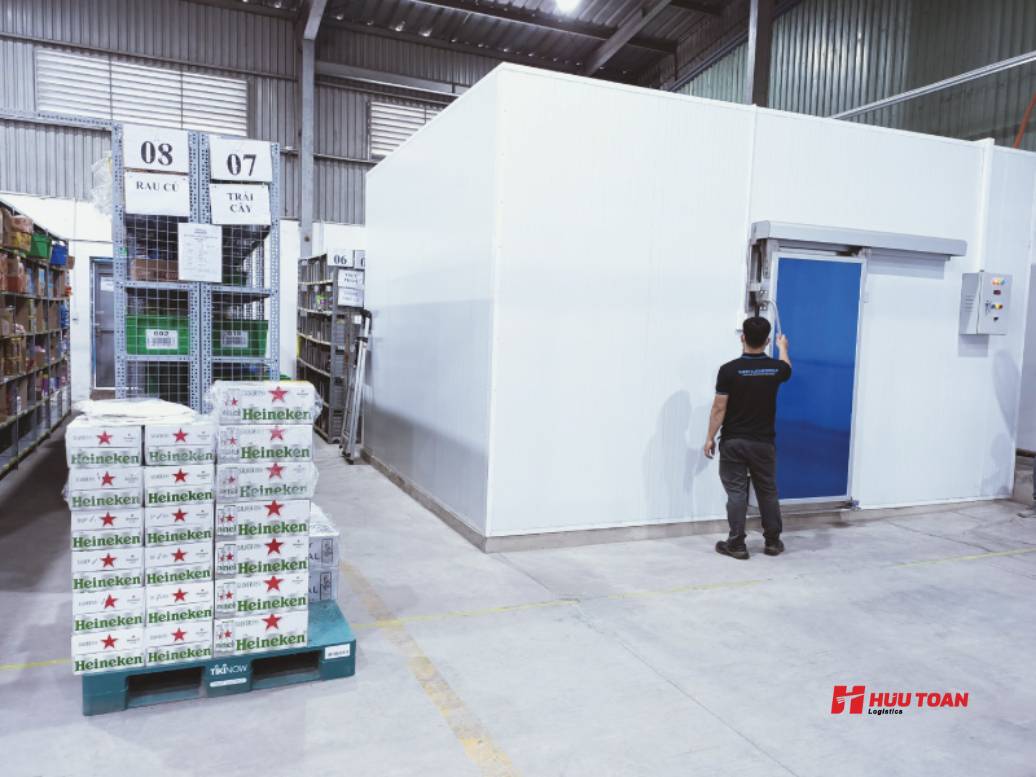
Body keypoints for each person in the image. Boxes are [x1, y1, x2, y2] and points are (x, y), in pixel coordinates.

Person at [703, 316, 792, 560]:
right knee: (767, 491)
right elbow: (787, 368)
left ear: (742, 337)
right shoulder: (776, 369)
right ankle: (772, 542)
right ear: (767, 341)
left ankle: (737, 544)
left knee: (736, 493)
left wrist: (710, 437)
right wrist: (783, 347)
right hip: (763, 443)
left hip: (733, 442)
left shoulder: (728, 370)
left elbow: (719, 408)